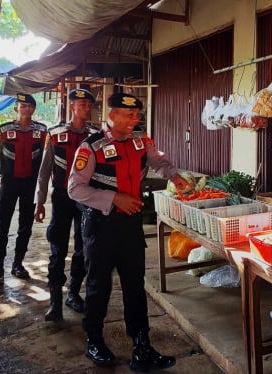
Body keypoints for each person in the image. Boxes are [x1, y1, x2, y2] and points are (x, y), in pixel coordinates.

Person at [68, 92, 191, 371]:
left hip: (130, 226)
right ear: (112, 116)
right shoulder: (91, 147)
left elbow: (158, 160)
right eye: (129, 115)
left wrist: (173, 175)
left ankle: (142, 344)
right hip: (101, 226)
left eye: (137, 115)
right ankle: (95, 340)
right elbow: (75, 188)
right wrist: (114, 199)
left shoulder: (140, 141)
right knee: (99, 286)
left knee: (135, 286)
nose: (135, 119)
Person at [35, 88, 100, 321]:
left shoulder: (96, 136)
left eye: (87, 104)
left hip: (87, 199)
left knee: (84, 248)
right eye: (80, 103)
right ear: (71, 106)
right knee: (57, 249)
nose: (85, 107)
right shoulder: (54, 134)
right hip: (61, 197)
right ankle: (55, 302)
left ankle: (73, 293)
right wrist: (39, 201)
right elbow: (44, 172)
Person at [0, 93, 47, 285]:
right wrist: (5, 172)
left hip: (30, 184)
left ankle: (17, 264)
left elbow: (45, 157)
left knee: (25, 225)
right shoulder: (3, 130)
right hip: (9, 183)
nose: (26, 109)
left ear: (33, 109)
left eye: (30, 106)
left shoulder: (42, 130)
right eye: (23, 105)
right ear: (16, 108)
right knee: (2, 226)